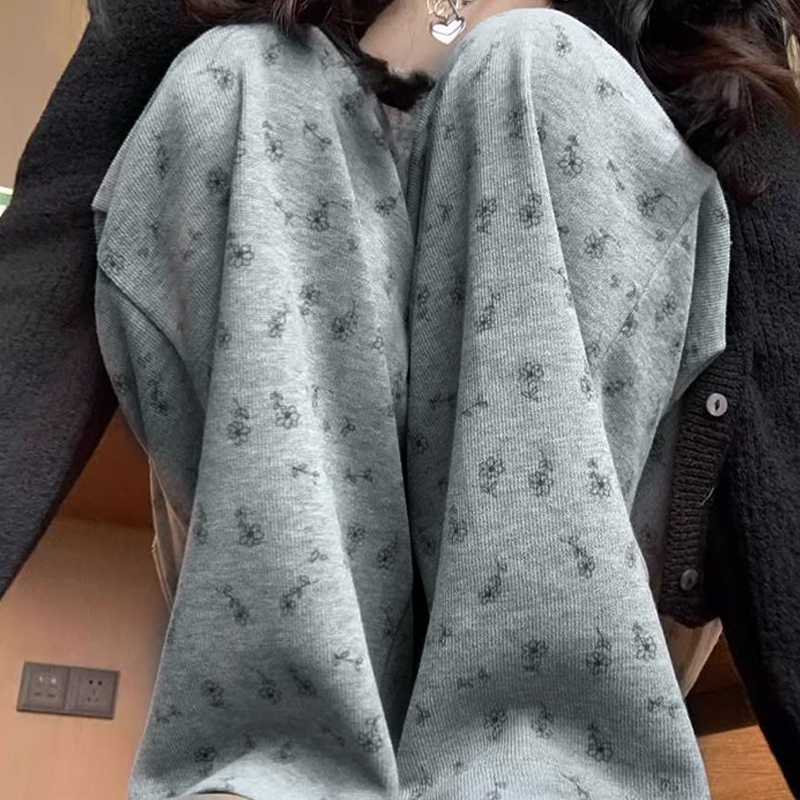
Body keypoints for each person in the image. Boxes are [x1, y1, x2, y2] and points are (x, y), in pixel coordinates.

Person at [1, 0, 798, 799]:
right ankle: (273, 768)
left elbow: (775, 282)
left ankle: (547, 765)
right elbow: (36, 265)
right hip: (266, 560)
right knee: (242, 73)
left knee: (537, 63)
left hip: (600, 570)